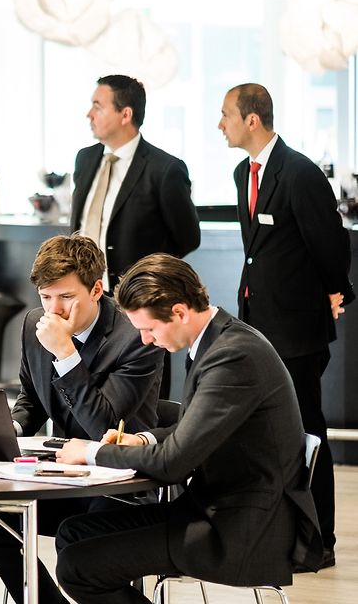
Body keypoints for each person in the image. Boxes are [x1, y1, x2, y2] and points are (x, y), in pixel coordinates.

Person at [50, 254, 323, 604]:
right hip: (216, 509)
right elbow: (190, 430)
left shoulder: (233, 357)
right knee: (75, 532)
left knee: (79, 565)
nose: (146, 340)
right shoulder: (218, 341)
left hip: (240, 529)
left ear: (179, 312)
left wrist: (90, 452)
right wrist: (143, 439)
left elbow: (172, 464)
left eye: (148, 329)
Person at [0, 235, 163, 604]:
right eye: (45, 297)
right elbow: (32, 399)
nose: (54, 310)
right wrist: (8, 429)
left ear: (96, 289)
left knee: (76, 546)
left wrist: (65, 353)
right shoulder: (33, 326)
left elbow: (102, 427)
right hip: (64, 476)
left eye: (66, 297)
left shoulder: (134, 336)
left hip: (121, 483)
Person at [219, 82, 354, 569]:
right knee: (269, 434)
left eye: (226, 116)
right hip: (258, 325)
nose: (221, 125)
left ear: (252, 120)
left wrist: (337, 291)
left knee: (305, 433)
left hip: (298, 330)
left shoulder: (299, 173)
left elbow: (331, 245)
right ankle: (279, 531)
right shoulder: (242, 173)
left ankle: (320, 541)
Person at [70, 74, 200, 292]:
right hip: (85, 292)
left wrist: (150, 276)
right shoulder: (85, 159)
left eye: (98, 107)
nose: (89, 115)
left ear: (125, 114)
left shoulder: (164, 169)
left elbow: (188, 238)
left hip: (138, 296)